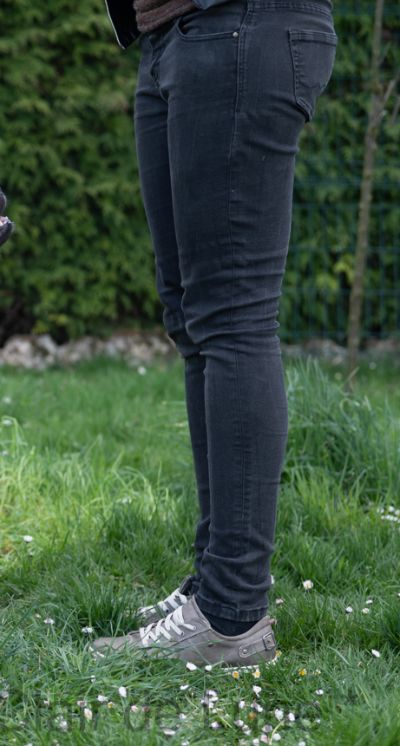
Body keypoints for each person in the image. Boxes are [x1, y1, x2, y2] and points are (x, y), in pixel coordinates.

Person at [91, 0, 337, 666]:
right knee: (194, 319)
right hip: (172, 37)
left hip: (244, 27)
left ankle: (233, 614)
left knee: (232, 320)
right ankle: (214, 581)